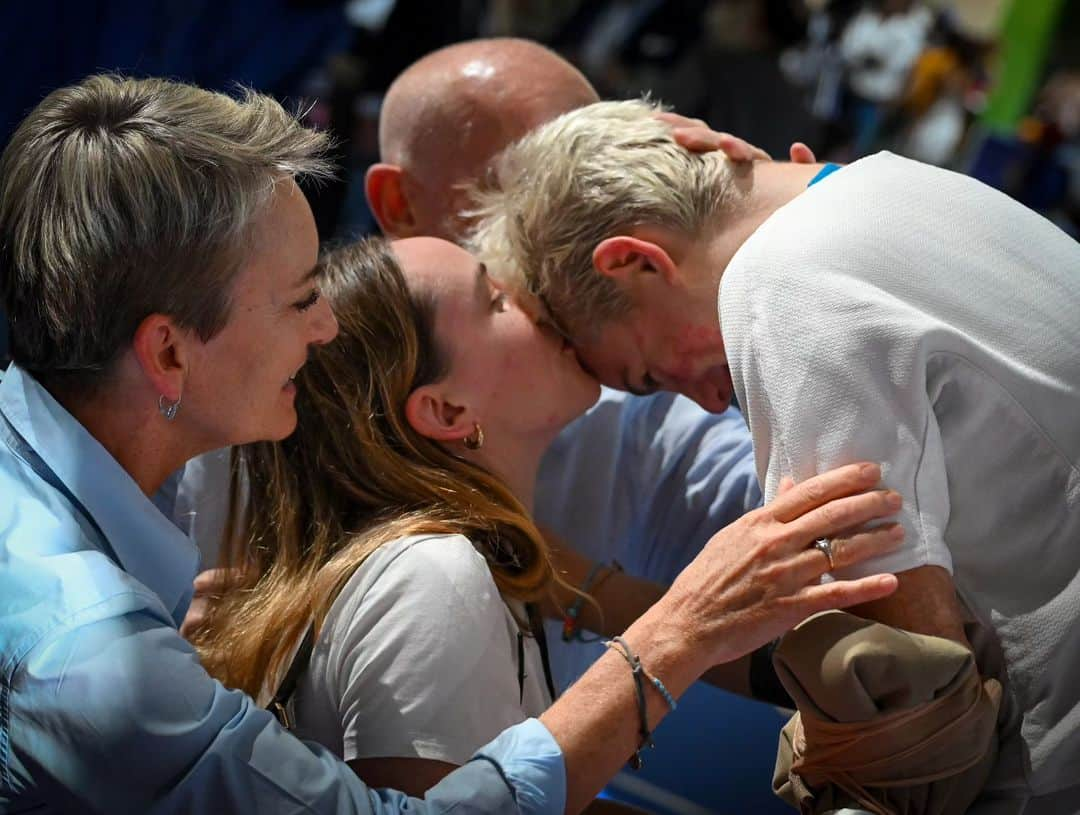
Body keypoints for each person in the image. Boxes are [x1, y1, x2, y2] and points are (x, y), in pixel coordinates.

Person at [0, 74, 901, 814]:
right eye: (300, 298)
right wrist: (676, 631)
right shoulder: (101, 654)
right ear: (167, 352)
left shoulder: (104, 571)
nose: (322, 334)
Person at [468, 98, 1080, 812]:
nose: (703, 401)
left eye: (651, 375)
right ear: (706, 140)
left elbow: (914, 712)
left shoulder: (781, 290)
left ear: (633, 262)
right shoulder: (898, 181)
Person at [192, 234, 904, 801]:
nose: (532, 299)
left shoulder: (431, 563)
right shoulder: (428, 576)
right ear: (447, 411)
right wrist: (684, 624)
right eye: (494, 300)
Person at [361, 36, 803, 696]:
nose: (576, 227)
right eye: (514, 190)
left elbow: (838, 532)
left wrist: (760, 233)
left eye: (591, 182)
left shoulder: (640, 405)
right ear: (399, 206)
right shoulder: (272, 405)